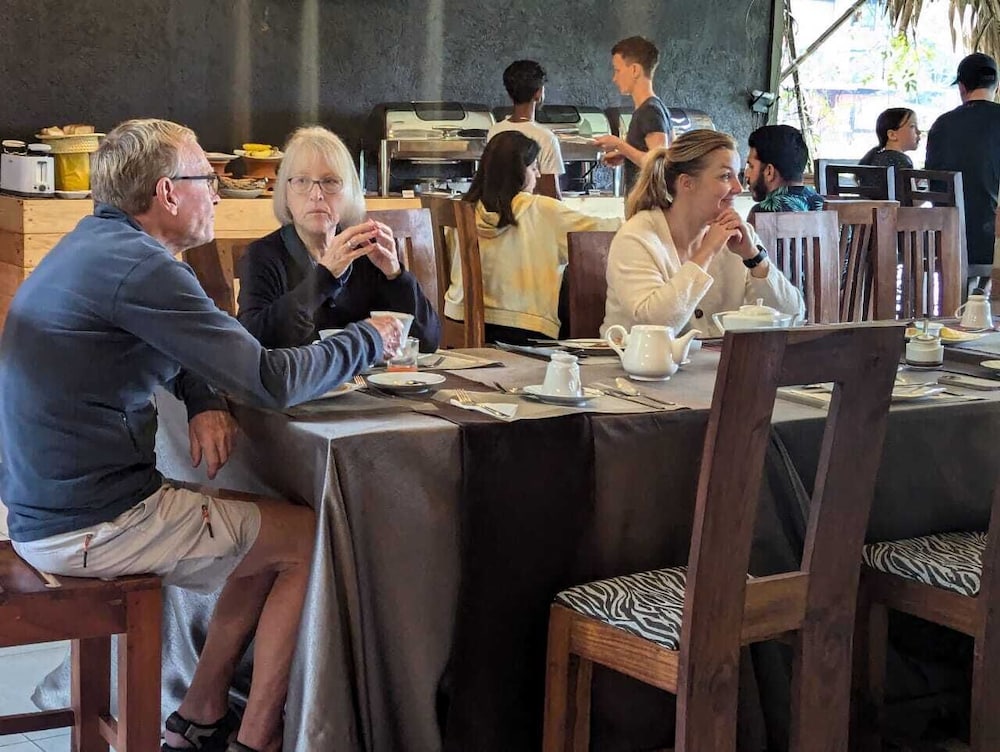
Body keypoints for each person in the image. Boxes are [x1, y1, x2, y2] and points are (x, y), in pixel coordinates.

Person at [0, 119, 404, 752]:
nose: (217, 194)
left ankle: (201, 710)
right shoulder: (143, 267)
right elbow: (269, 379)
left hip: (41, 508)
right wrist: (369, 340)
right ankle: (259, 735)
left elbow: (191, 341)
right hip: (89, 524)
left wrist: (203, 399)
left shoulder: (97, 245)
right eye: (207, 180)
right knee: (306, 537)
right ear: (167, 193)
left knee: (267, 523)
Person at [238, 126, 440, 351]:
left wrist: (395, 276)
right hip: (299, 373)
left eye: (330, 181)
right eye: (302, 181)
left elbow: (426, 341)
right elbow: (251, 343)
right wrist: (324, 277)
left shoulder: (367, 251)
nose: (316, 194)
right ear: (285, 193)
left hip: (369, 375)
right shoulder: (262, 256)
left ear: (350, 193)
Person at [602, 129, 803, 337]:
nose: (738, 188)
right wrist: (707, 251)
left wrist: (754, 258)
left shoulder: (740, 236)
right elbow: (656, 327)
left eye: (738, 175)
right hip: (630, 358)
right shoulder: (636, 237)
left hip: (715, 358)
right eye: (726, 176)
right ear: (687, 183)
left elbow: (794, 315)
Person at [443, 131, 620, 343]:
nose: (538, 175)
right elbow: (601, 232)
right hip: (523, 327)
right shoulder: (541, 209)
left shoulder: (464, 209)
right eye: (534, 167)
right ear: (518, 171)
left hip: (458, 317)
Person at [925, 52, 1000, 291]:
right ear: (996, 86)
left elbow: (933, 185)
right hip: (994, 243)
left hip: (947, 241)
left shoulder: (941, 125)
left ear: (962, 87)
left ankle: (963, 306)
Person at [593, 36, 669, 193]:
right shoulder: (654, 107)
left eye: (618, 70)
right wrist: (625, 155)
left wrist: (619, 144)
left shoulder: (650, 110)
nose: (614, 78)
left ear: (635, 70)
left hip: (647, 203)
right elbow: (652, 155)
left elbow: (659, 163)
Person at [487, 59, 565, 197]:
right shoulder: (546, 137)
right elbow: (551, 196)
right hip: (531, 209)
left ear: (509, 93)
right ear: (538, 93)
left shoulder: (494, 131)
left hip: (500, 208)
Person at [744, 124, 824, 214]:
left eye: (751, 166)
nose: (746, 174)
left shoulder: (764, 212)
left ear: (769, 171)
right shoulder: (825, 205)